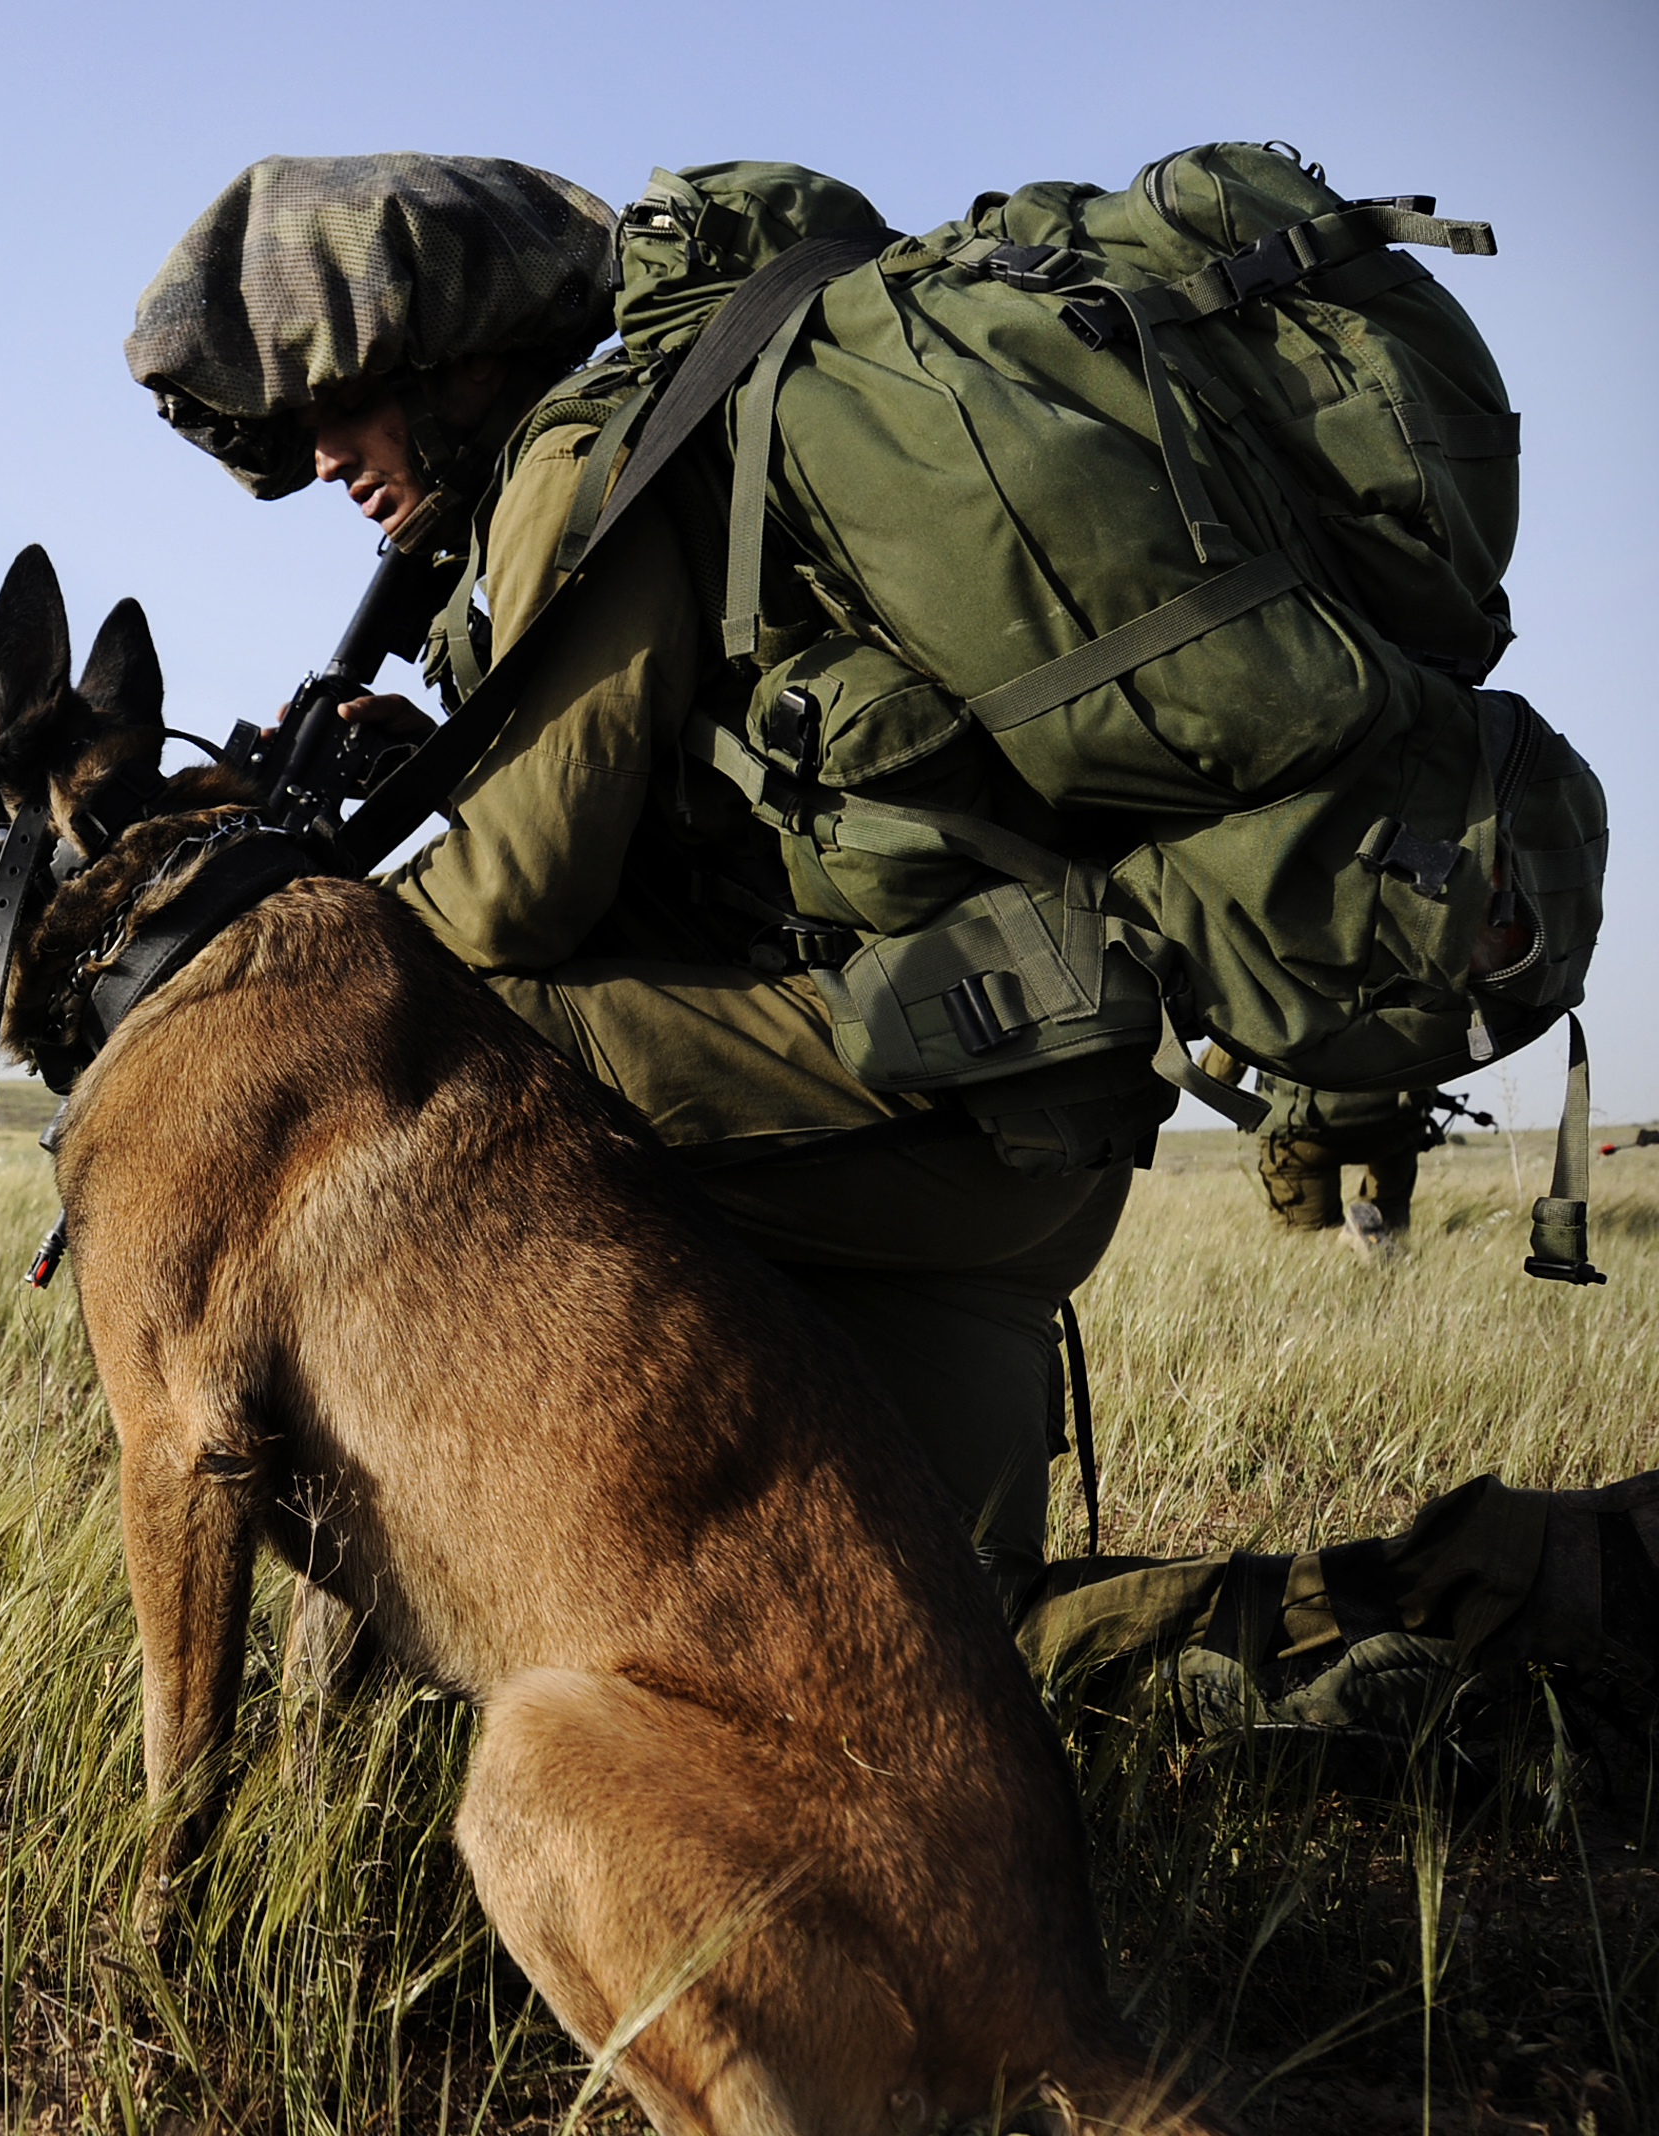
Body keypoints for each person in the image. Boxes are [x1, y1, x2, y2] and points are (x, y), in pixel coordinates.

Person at [124, 151, 1651, 1750]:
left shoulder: (587, 459)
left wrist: (284, 943)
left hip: (933, 1098)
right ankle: (1521, 1600)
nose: (326, 462)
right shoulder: (707, 439)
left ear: (449, 354)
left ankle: (367, 1713)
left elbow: (514, 909)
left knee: (397, 1043)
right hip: (1014, 1114)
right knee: (941, 1659)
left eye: (340, 408)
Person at [1198, 1044, 1469, 1236]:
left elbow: (1215, 1074)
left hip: (1300, 1130)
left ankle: (1346, 1250)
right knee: (1389, 1229)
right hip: (1395, 1120)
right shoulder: (1399, 961)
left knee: (1306, 1244)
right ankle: (1387, 1289)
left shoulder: (1268, 965)